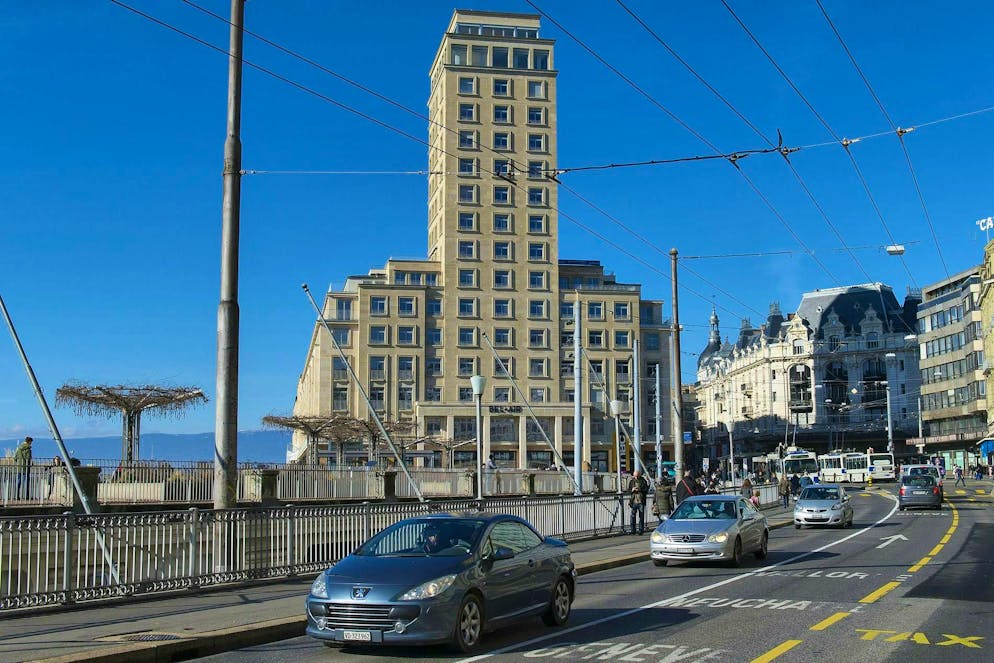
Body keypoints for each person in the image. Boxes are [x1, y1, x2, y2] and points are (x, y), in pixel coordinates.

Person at [627, 469, 650, 534]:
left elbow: (646, 490)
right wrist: (632, 490)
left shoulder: (643, 481)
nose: (636, 477)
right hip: (633, 501)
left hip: (641, 501)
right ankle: (633, 530)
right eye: (635, 476)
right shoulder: (632, 481)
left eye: (637, 476)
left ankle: (640, 530)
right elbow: (628, 490)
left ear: (639, 475)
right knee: (632, 516)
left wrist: (639, 489)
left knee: (641, 516)